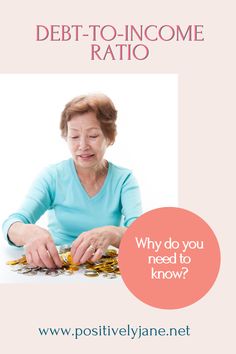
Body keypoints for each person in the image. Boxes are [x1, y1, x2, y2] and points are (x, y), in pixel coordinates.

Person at [2, 94, 142, 269]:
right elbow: (12, 223)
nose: (82, 145)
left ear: (110, 137)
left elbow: (141, 236)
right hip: (57, 267)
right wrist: (28, 233)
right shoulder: (52, 176)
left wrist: (114, 233)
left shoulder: (124, 180)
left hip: (105, 268)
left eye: (92, 136)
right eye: (74, 137)